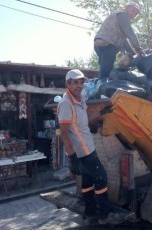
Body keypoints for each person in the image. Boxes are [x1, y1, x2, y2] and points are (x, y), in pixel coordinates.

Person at [57, 69, 117, 225]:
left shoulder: (81, 99)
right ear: (68, 84)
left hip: (88, 148)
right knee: (101, 178)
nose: (79, 85)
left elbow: (86, 118)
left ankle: (90, 211)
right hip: (82, 152)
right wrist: (72, 158)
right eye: (75, 82)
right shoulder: (65, 104)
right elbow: (64, 133)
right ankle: (104, 216)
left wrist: (101, 113)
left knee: (88, 180)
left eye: (81, 82)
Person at [94, 4, 143, 83]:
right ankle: (101, 90)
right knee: (105, 74)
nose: (134, 14)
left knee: (105, 70)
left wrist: (133, 52)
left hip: (100, 44)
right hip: (107, 44)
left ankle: (99, 87)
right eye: (133, 11)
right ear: (126, 8)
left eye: (136, 14)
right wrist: (139, 49)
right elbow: (129, 33)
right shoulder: (123, 15)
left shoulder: (119, 18)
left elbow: (124, 41)